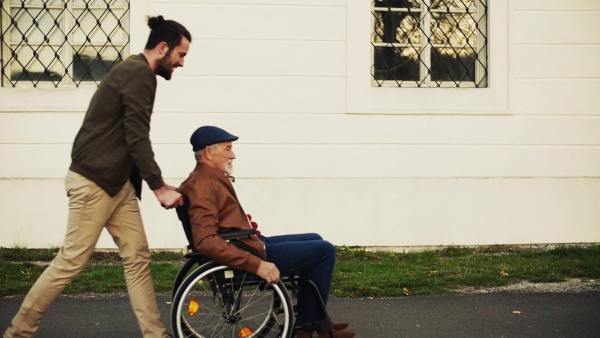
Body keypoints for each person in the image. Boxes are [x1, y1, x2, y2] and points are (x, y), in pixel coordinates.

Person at [3, 15, 191, 338]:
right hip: (94, 184)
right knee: (71, 261)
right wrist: (158, 187)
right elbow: (136, 136)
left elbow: (126, 137)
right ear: (163, 48)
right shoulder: (140, 75)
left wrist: (153, 183)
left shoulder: (132, 70)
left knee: (137, 257)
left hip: (116, 186)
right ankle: (18, 331)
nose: (182, 63)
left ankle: (155, 334)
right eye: (181, 55)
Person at [177, 126, 357, 338]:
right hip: (246, 251)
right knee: (324, 251)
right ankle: (312, 327)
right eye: (228, 148)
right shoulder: (203, 185)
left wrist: (244, 225)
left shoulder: (207, 178)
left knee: (315, 239)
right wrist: (257, 264)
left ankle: (312, 320)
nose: (232, 155)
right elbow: (206, 241)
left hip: (246, 242)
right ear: (208, 152)